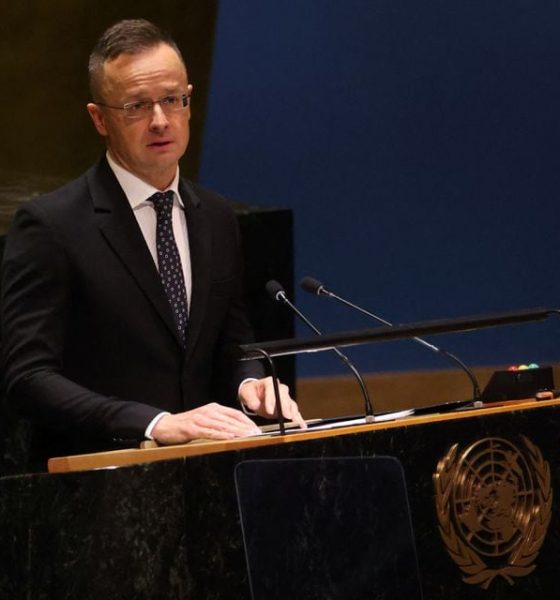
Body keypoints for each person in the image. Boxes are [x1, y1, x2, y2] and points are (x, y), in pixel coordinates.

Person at [0, 19, 304, 465]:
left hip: (207, 480)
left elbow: (232, 344)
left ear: (188, 102)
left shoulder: (216, 217)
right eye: (137, 106)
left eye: (171, 100)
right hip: (97, 488)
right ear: (99, 118)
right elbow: (27, 378)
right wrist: (153, 423)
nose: (160, 120)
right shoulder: (51, 226)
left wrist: (251, 382)